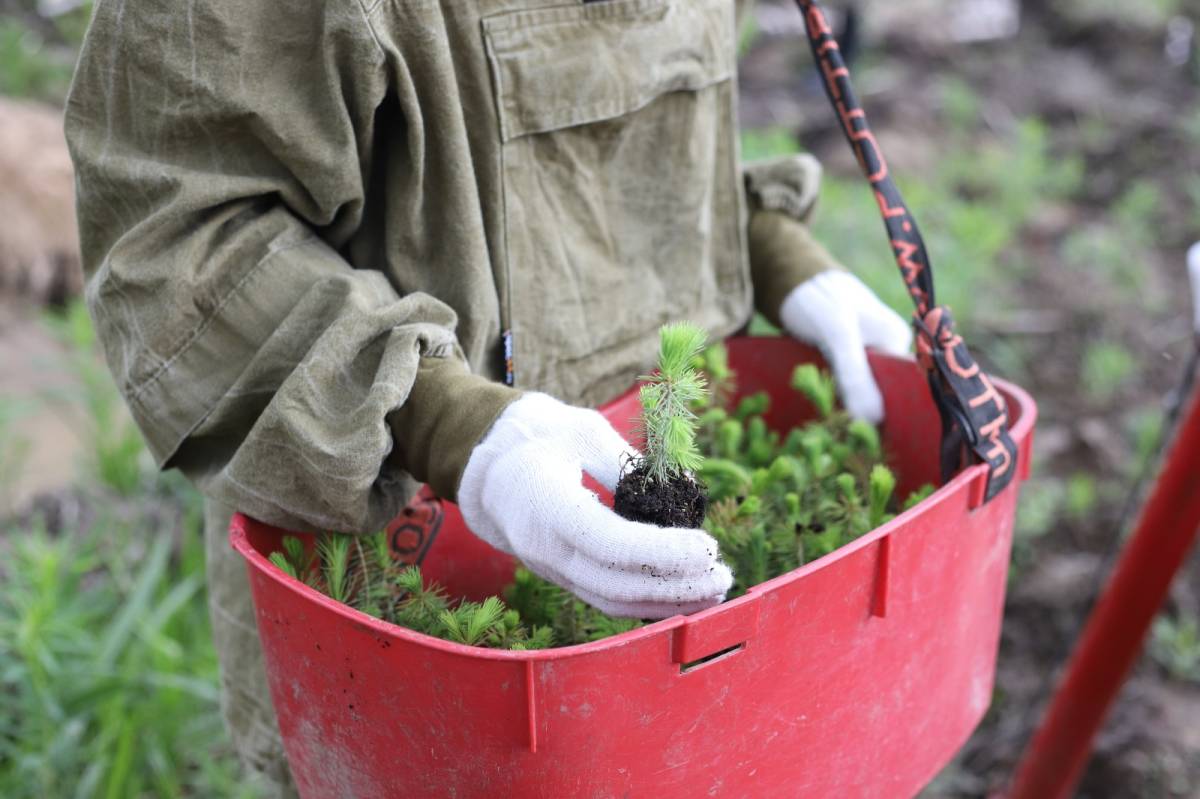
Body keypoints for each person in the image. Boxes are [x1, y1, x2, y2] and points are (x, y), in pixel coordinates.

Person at [65, 0, 911, 794]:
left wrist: (766, 248)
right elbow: (178, 237)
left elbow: (646, 110)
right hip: (408, 602)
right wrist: (450, 422)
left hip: (691, 605)